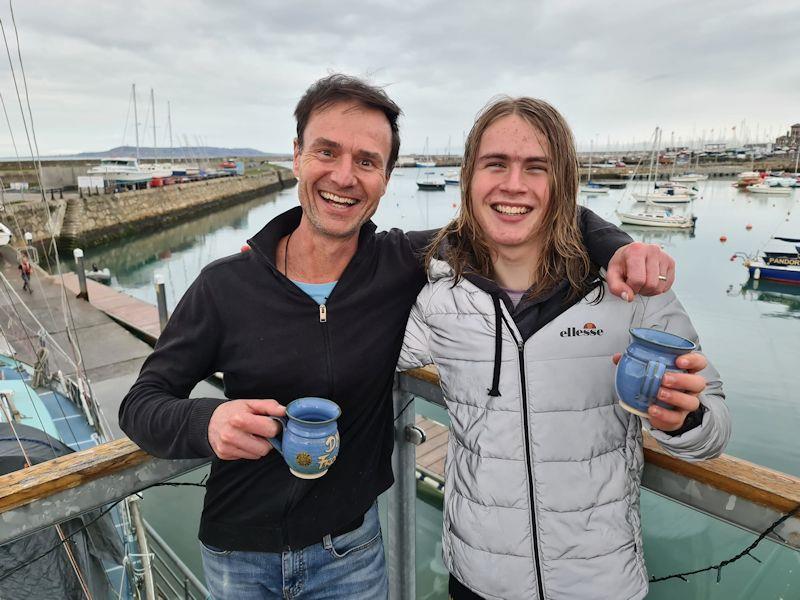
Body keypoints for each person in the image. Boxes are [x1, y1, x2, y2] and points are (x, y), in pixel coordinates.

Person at [119, 75, 678, 599]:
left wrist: (617, 249)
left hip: (351, 554)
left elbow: (524, 210)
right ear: (296, 156)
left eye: (367, 161)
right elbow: (141, 404)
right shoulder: (225, 286)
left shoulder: (400, 264)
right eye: (326, 152)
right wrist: (206, 421)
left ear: (386, 178)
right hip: (238, 552)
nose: (344, 176)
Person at [398, 97, 731, 600]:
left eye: (537, 167)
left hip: (602, 584)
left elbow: (714, 431)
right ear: (469, 177)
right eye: (495, 164)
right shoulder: (438, 298)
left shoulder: (630, 294)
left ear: (564, 184)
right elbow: (352, 351)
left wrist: (681, 418)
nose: (513, 184)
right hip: (478, 580)